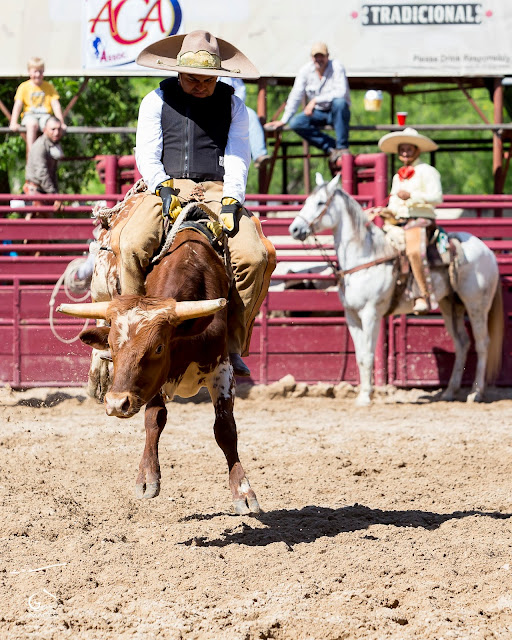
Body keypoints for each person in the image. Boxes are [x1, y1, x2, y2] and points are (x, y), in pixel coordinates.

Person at [114, 30, 276, 377]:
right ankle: (127, 334)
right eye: (192, 78)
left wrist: (233, 198)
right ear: (177, 72)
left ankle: (232, 343)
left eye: (208, 79)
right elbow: (146, 152)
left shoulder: (235, 106)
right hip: (165, 186)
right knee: (130, 244)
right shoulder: (155, 101)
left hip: (217, 189)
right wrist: (163, 186)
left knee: (254, 256)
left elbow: (237, 155)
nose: (201, 85)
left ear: (220, 75)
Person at [376, 127, 442, 314]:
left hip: (422, 220)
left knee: (413, 251)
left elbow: (437, 197)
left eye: (409, 149)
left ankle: (423, 294)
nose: (405, 152)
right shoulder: (398, 176)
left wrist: (411, 195)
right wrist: (386, 211)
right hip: (399, 222)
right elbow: (395, 204)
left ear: (417, 150)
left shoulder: (427, 172)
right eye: (402, 149)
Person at [265, 42, 351, 165]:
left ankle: (343, 148)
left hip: (336, 113)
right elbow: (296, 95)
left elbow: (341, 92)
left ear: (328, 56)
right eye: (316, 56)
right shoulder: (305, 71)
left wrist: (315, 100)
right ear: (312, 58)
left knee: (340, 103)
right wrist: (284, 120)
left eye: (322, 56)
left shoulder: (337, 66)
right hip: (318, 113)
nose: (319, 59)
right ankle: (332, 148)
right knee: (296, 123)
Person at [9, 57, 67, 153]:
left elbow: (55, 105)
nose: (38, 75)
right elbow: (18, 105)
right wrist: (13, 122)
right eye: (35, 71)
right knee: (32, 125)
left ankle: (51, 148)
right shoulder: (24, 87)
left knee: (52, 126)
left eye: (40, 72)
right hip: (30, 115)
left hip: (45, 115)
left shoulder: (49, 86)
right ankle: (32, 153)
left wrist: (60, 122)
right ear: (29, 72)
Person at [219, 77, 270, 169]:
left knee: (250, 114)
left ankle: (259, 154)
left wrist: (234, 105)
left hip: (232, 108)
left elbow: (241, 91)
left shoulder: (231, 75)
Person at [23, 116, 64, 218]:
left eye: (59, 129)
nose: (56, 132)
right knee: (44, 223)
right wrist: (54, 195)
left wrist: (54, 194)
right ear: (45, 129)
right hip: (35, 191)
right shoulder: (40, 146)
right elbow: (41, 174)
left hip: (44, 191)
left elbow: (51, 174)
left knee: (45, 225)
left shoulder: (52, 145)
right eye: (53, 129)